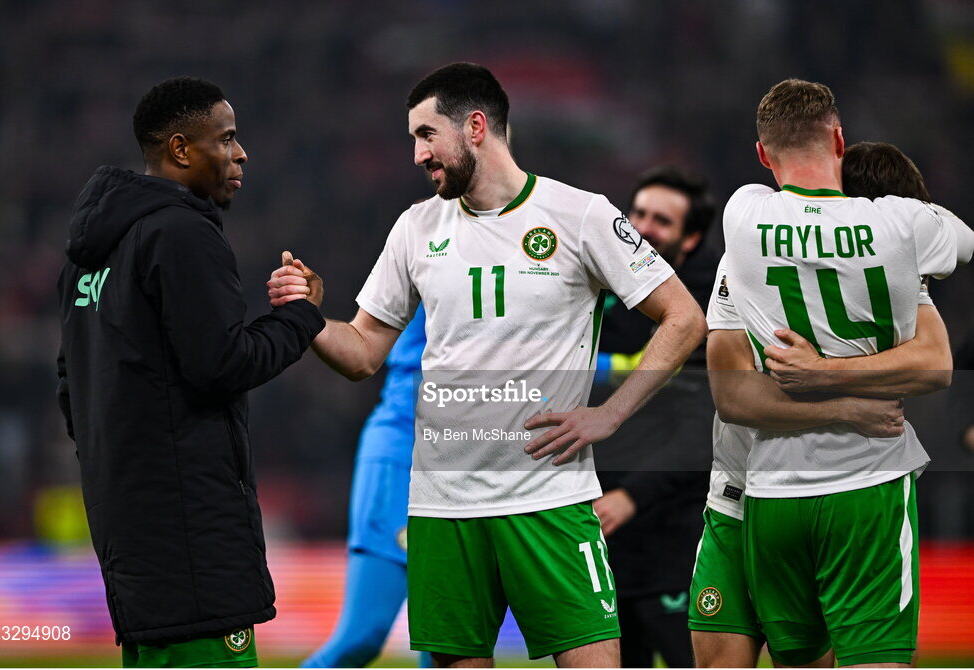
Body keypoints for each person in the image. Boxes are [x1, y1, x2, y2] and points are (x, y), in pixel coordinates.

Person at [269, 62, 708, 667]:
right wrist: (311, 317)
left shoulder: (579, 215)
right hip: (443, 508)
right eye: (412, 139)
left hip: (549, 503)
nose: (418, 155)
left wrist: (610, 415)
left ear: (475, 126)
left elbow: (683, 318)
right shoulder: (416, 227)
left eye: (426, 135)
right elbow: (364, 352)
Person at [56, 77, 325, 668]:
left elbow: (71, 392)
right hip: (193, 544)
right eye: (226, 139)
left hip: (128, 537)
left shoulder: (87, 256)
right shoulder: (181, 232)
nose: (241, 153)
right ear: (181, 150)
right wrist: (301, 317)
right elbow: (223, 363)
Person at [708, 79, 973, 667]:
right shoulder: (902, 226)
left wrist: (814, 370)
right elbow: (962, 245)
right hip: (867, 479)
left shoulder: (742, 217)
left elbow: (729, 388)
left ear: (761, 154)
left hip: (773, 489)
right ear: (839, 137)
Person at [590, 166, 718, 668]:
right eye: (637, 213)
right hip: (604, 536)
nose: (642, 228)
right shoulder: (598, 299)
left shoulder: (711, 315)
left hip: (677, 538)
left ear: (690, 239)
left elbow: (702, 430)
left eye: (661, 221)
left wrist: (631, 496)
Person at [302, 304, 430, 668]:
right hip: (404, 458)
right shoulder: (427, 251)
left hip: (467, 465)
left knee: (447, 645)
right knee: (362, 637)